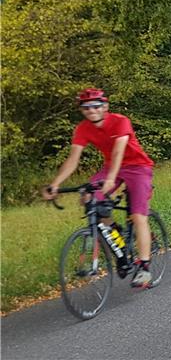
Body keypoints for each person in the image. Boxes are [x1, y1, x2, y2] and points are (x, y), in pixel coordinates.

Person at [43, 88, 155, 288]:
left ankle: (144, 267)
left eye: (96, 105)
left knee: (138, 216)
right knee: (89, 198)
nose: (91, 110)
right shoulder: (83, 128)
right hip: (110, 168)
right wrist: (55, 184)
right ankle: (116, 237)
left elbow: (119, 151)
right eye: (86, 107)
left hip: (137, 167)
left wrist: (111, 179)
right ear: (82, 110)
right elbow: (73, 159)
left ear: (105, 106)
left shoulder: (120, 121)